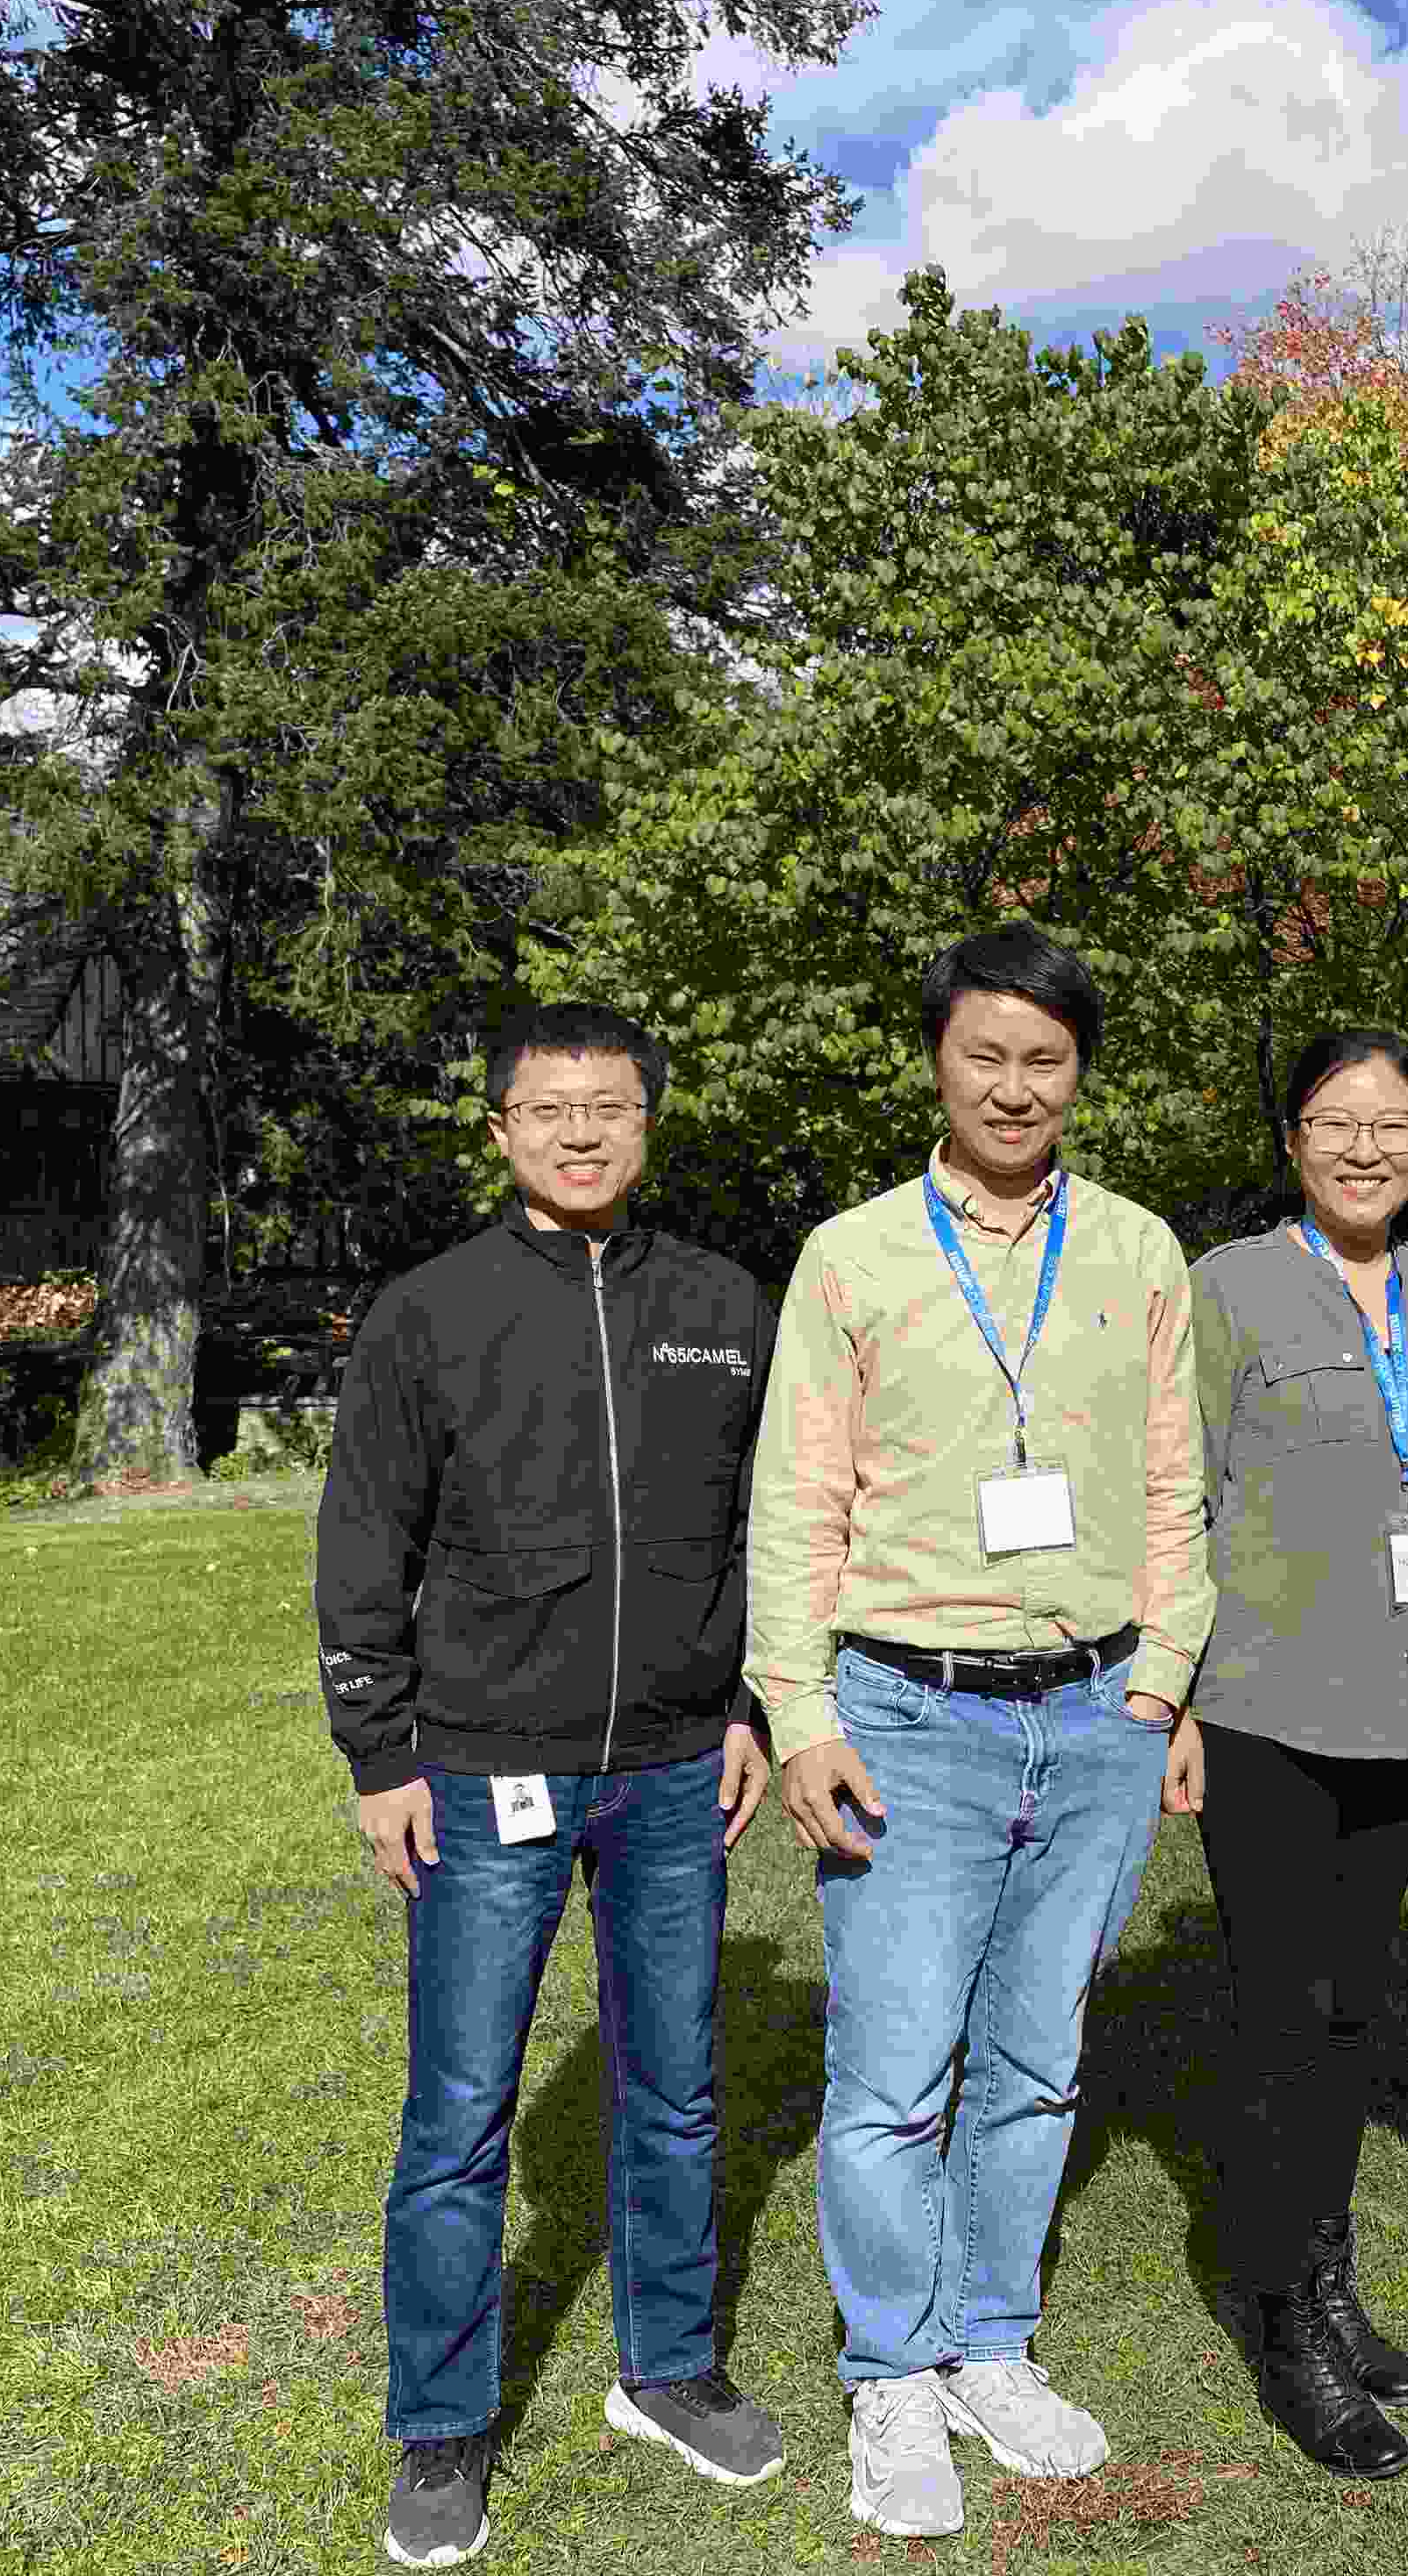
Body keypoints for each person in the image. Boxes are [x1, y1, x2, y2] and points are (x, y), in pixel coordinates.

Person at [746, 920, 1217, 2540]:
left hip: (1093, 1715)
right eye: (985, 1055)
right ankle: (891, 2364)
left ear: (1079, 1073)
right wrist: (798, 1713)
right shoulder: (854, 1255)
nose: (1015, 1086)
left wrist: (1162, 1676)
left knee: (1034, 2063)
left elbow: (1174, 1484)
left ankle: (990, 2345)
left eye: (1046, 1060)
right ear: (938, 1062)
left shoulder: (1138, 1252)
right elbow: (795, 1496)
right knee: (890, 2073)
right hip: (905, 1712)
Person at [316, 1002, 786, 2572]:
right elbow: (363, 1548)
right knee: (459, 2109)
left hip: (671, 1768)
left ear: (650, 1120)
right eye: (549, 1109)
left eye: (611, 1107)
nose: (582, 1133)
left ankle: (668, 2366)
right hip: (481, 1770)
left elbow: (761, 1534)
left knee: (678, 2086)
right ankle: (441, 2429)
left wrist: (749, 1710)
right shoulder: (428, 1311)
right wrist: (383, 1758)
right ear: (503, 1125)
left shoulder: (724, 1305)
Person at [1183, 1027, 1408, 2480]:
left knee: (1356, 2010)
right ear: (1292, 1140)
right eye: (1336, 1121)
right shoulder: (1230, 1287)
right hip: (1259, 1707)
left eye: (1395, 1124)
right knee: (1278, 2017)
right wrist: (1171, 1698)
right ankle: (1281, 2320)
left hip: (1398, 1707)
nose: (1367, 1146)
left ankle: (1325, 2267)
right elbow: (1174, 1499)